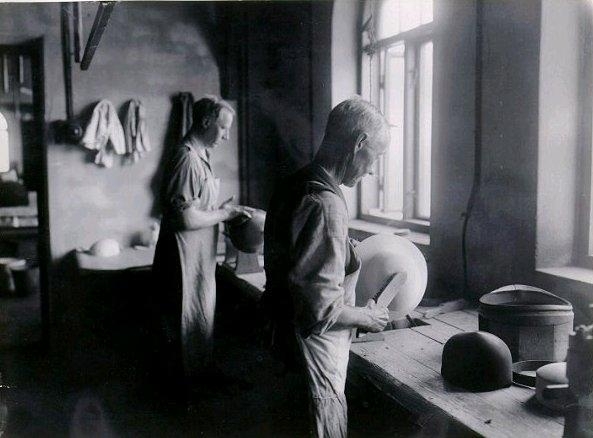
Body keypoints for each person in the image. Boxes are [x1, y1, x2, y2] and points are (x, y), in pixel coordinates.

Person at [263, 97, 391, 437]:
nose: (372, 169)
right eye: (376, 156)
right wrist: (367, 317)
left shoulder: (294, 184)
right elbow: (320, 311)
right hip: (314, 356)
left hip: (284, 346)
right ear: (359, 143)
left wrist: (343, 251)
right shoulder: (326, 203)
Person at [152, 95, 250, 393]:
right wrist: (225, 213)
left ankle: (199, 379)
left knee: (198, 317)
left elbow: (196, 206)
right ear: (206, 121)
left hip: (198, 258)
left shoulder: (201, 156)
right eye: (223, 128)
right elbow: (184, 217)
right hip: (182, 258)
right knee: (183, 318)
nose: (227, 136)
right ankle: (184, 393)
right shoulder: (186, 158)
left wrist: (221, 210)